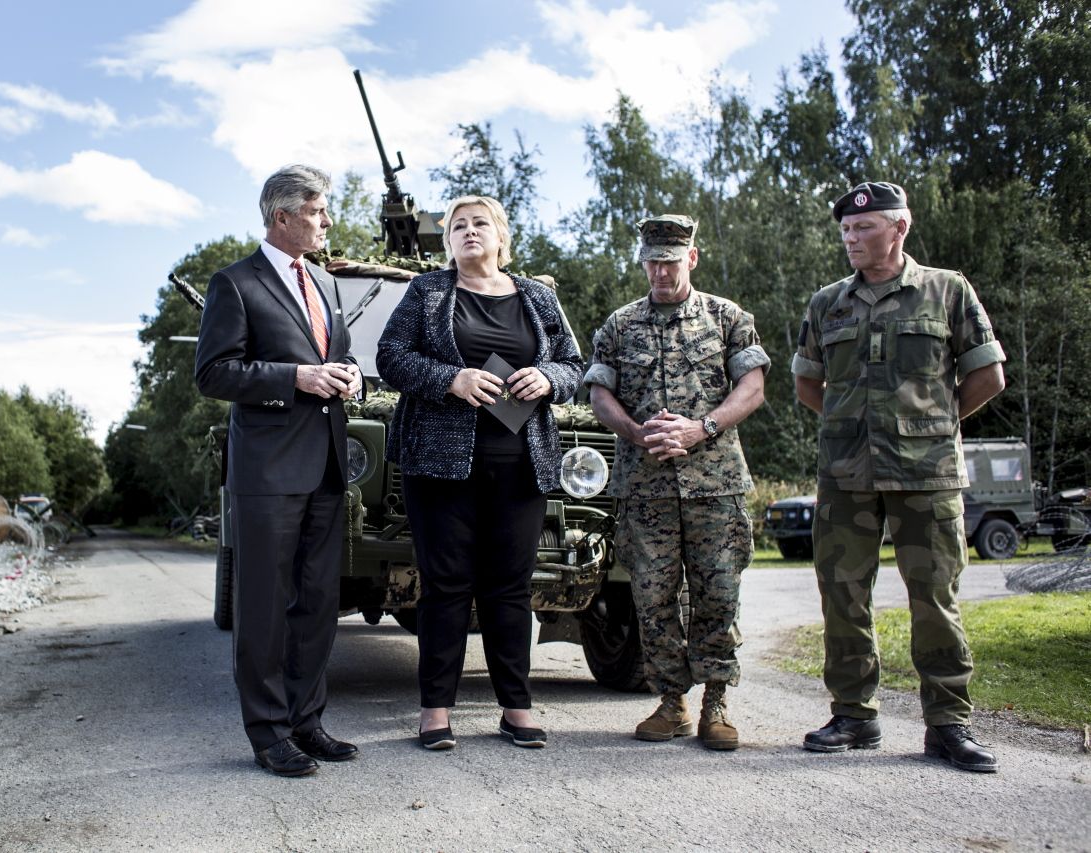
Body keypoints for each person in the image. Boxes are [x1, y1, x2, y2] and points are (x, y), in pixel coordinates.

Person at [792, 181, 1006, 773]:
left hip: (927, 474)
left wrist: (930, 425)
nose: (851, 238)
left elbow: (988, 377)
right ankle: (854, 715)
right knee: (842, 595)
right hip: (846, 475)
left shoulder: (947, 290)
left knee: (934, 598)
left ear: (899, 228)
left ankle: (948, 724)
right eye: (846, 229)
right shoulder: (828, 303)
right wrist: (854, 427)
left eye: (864, 227)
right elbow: (808, 385)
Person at [377, 195, 582, 750]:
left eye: (480, 223)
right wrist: (452, 380)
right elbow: (390, 356)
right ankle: (435, 711)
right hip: (439, 466)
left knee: (510, 587)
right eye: (458, 226)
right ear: (448, 241)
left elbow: (573, 364)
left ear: (500, 235)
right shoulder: (427, 292)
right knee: (445, 585)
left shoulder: (538, 297)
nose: (469, 231)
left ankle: (516, 708)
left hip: (520, 466)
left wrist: (548, 379)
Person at [194, 164, 363, 777]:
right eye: (317, 212)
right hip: (267, 472)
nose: (326, 222)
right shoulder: (235, 283)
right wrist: (296, 378)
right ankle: (268, 733)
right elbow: (214, 373)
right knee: (264, 606)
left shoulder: (326, 282)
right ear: (282, 216)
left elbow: (336, 354)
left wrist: (352, 376)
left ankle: (306, 722)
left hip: (327, 466)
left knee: (317, 603)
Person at [585, 215, 769, 750]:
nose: (660, 272)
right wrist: (636, 432)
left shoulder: (727, 317)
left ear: (691, 257)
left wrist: (700, 428)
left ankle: (716, 703)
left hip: (715, 484)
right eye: (651, 262)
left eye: (669, 262)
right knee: (652, 596)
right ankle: (671, 702)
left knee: (719, 592)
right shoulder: (620, 325)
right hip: (645, 488)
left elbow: (752, 387)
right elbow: (599, 393)